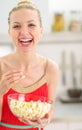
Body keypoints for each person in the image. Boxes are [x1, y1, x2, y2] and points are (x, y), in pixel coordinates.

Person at [0, 0, 59, 130]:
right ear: (9, 31)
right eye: (16, 26)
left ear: (41, 31)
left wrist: (46, 118)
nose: (24, 32)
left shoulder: (50, 68)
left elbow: (50, 108)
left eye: (31, 25)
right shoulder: (0, 66)